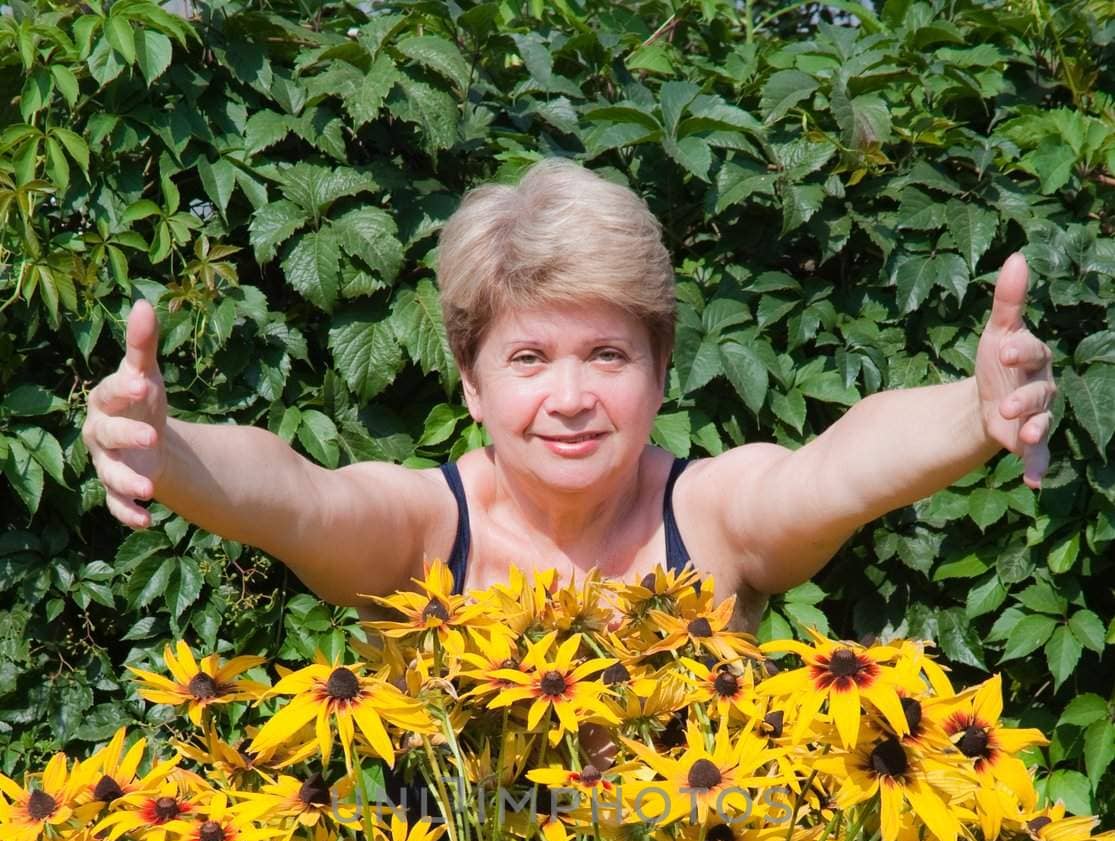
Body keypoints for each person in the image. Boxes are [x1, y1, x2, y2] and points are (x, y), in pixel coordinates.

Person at [82, 158, 1055, 633]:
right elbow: (298, 494)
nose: (572, 396)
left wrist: (972, 412)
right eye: (529, 359)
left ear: (660, 369)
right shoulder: (425, 533)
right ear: (469, 381)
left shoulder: (708, 519)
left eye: (606, 354)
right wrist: (168, 452)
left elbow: (835, 470)